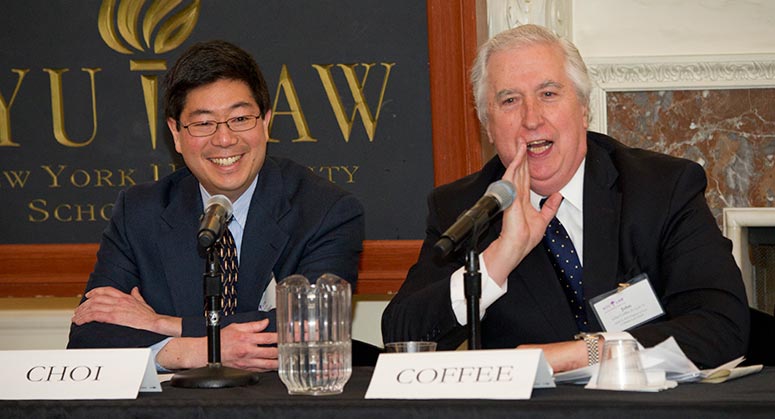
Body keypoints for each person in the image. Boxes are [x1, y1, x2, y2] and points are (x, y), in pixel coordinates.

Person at [381, 24, 749, 372]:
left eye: (548, 94)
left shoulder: (661, 188)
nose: (531, 119)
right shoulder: (467, 209)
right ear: (488, 126)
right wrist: (499, 257)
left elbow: (722, 326)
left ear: (583, 108)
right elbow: (402, 338)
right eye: (509, 100)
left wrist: (584, 353)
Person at [68, 40, 365, 372]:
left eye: (240, 118)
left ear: (265, 122)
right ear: (176, 133)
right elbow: (89, 335)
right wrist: (194, 352)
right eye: (203, 123)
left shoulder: (325, 211)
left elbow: (315, 325)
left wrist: (164, 324)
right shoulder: (139, 212)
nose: (224, 139)